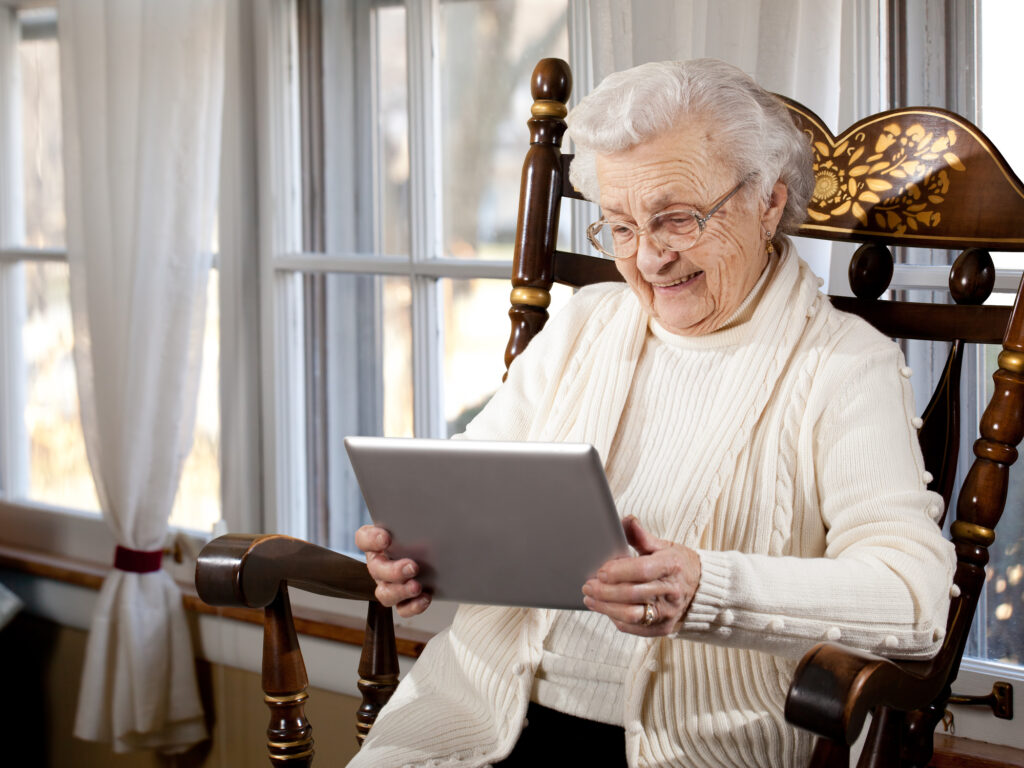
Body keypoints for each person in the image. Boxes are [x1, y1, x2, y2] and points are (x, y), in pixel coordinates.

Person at [349, 59, 956, 768]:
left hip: (691, 748)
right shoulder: (585, 322)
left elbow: (913, 601)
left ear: (768, 200)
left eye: (676, 218)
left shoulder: (844, 365)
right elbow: (473, 487)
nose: (649, 261)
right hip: (477, 712)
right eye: (621, 227)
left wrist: (708, 588)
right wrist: (418, 554)